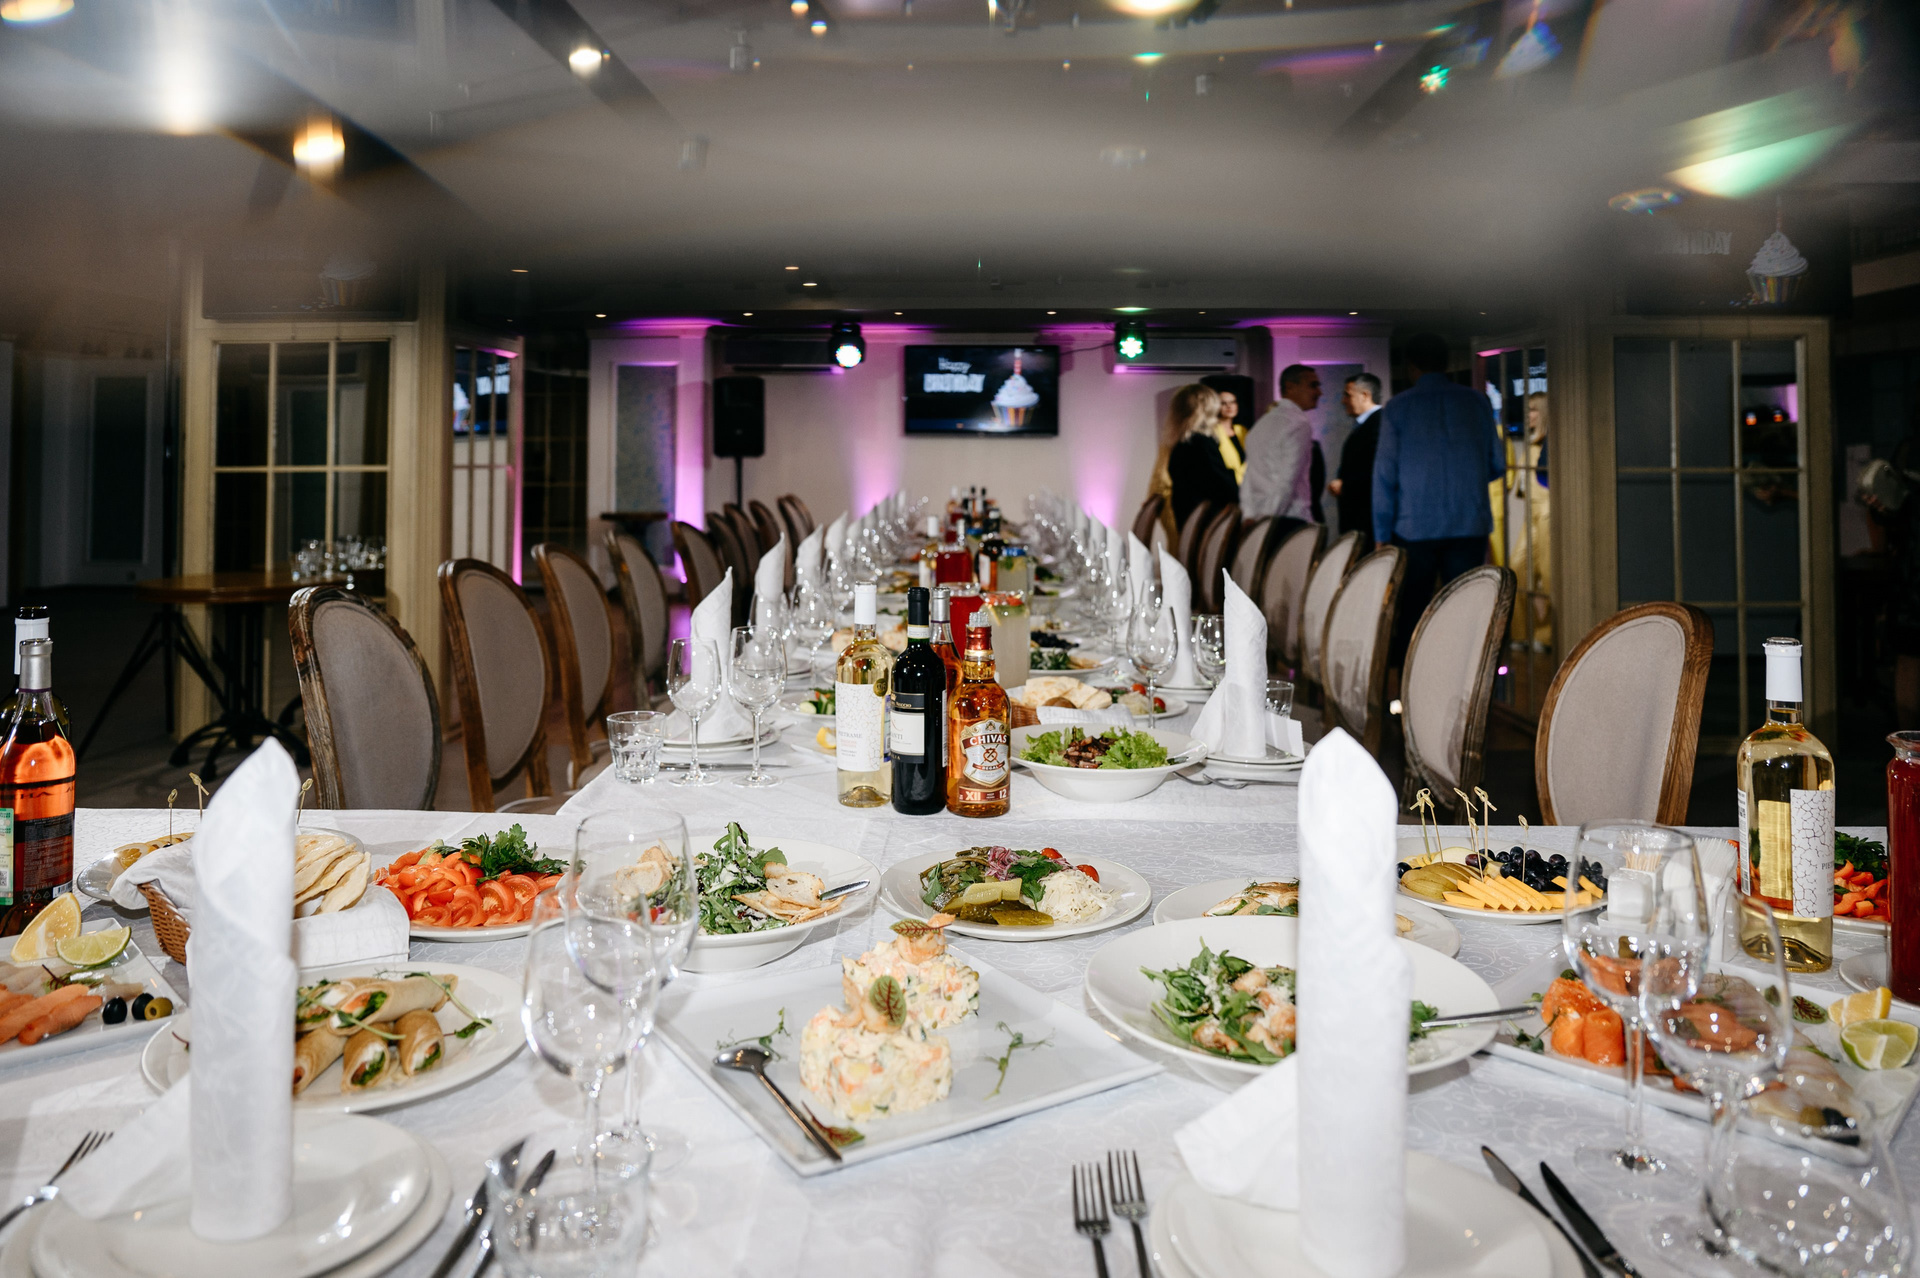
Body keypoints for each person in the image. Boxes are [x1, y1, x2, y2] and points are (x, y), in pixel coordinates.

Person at [1373, 333, 1504, 660]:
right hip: (1468, 523)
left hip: (1414, 526)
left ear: (1411, 366)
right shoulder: (1476, 402)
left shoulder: (1398, 407)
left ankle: (1413, 677)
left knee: (1413, 611)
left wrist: (1381, 534)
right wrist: (1466, 482)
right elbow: (1497, 464)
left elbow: (1385, 476)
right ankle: (1465, 676)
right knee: (1466, 607)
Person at [1240, 364, 1321, 530]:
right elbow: (1287, 480)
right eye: (1313, 385)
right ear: (1290, 387)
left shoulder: (1260, 425)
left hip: (1258, 516)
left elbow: (1248, 476)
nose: (1319, 392)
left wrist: (1248, 514)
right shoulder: (1298, 424)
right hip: (1288, 518)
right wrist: (1268, 520)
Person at [1160, 383, 1234, 534]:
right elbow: (1224, 486)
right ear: (1207, 410)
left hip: (1189, 525)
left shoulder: (1180, 444)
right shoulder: (1201, 443)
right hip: (1209, 528)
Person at [1328, 372, 1384, 542]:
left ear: (1365, 395)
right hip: (1360, 518)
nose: (1343, 400)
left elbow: (1376, 469)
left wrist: (1345, 485)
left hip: (1367, 519)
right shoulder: (1366, 424)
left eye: (1348, 395)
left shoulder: (1379, 423)